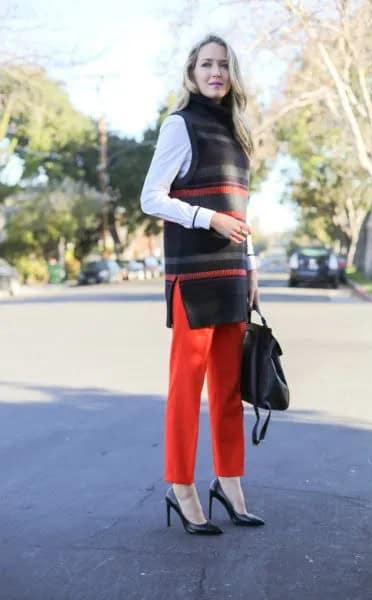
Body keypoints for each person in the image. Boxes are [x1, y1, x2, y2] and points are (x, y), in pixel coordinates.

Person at [141, 34, 264, 535]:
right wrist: (207, 218)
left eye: (223, 65)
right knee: (187, 389)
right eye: (206, 65)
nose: (216, 73)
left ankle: (229, 483)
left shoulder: (238, 132)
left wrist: (252, 266)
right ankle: (182, 487)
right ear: (191, 73)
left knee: (230, 389)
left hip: (232, 273)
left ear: (233, 74)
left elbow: (242, 210)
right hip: (193, 277)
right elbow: (152, 197)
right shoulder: (179, 125)